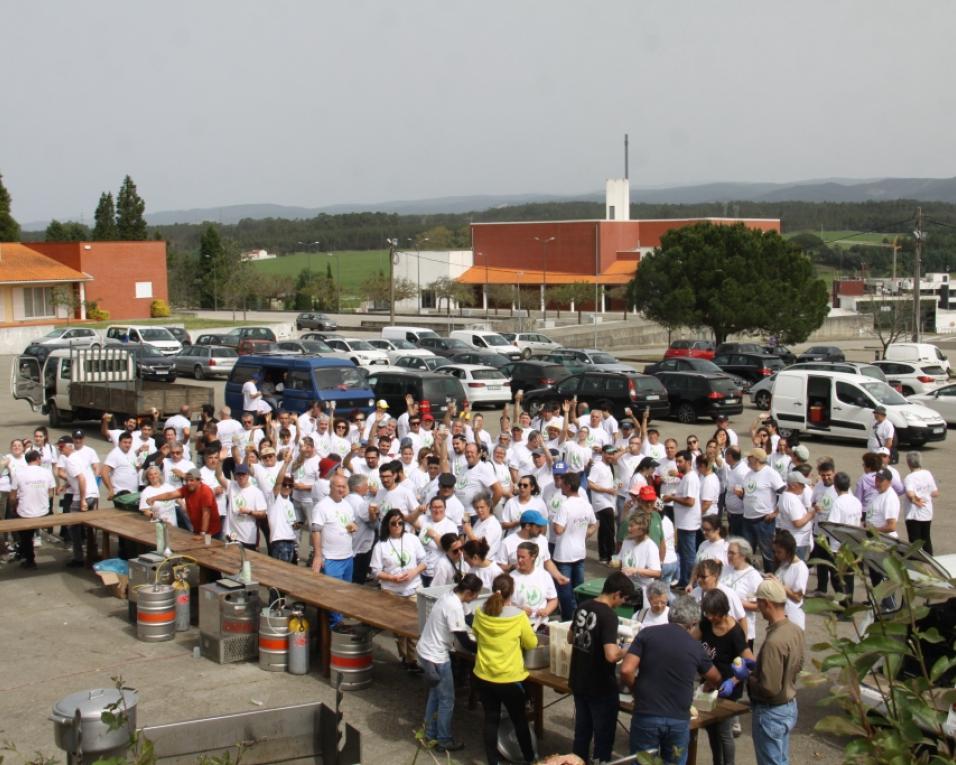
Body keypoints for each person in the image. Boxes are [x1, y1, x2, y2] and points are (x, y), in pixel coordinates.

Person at [620, 596, 722, 765]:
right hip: (678, 718)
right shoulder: (695, 646)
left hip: (647, 713)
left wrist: (635, 688)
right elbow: (715, 677)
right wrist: (709, 686)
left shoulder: (647, 634)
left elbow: (626, 669)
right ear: (694, 621)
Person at [568, 572, 636, 764]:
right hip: (600, 686)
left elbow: (570, 638)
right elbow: (611, 655)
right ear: (617, 593)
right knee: (603, 738)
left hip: (579, 680)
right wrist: (628, 648)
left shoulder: (583, 606)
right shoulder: (608, 616)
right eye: (623, 599)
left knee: (581, 733)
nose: (621, 603)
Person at [471, 573, 538, 765]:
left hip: (484, 675)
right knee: (519, 721)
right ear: (512, 593)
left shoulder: (479, 612)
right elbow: (531, 642)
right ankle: (530, 759)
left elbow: (475, 633)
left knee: (491, 719)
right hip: (509, 678)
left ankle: (493, 761)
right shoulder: (518, 617)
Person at [416, 574, 483, 754]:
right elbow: (465, 641)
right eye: (475, 595)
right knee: (447, 700)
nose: (476, 598)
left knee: (435, 695)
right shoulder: (453, 606)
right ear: (468, 592)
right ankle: (444, 740)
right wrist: (486, 648)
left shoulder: (450, 596)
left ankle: (429, 734)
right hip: (437, 657)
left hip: (426, 651)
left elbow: (469, 618)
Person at [748, 579, 805, 765]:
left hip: (772, 710)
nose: (757, 607)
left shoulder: (774, 641)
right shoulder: (795, 630)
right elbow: (799, 664)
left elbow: (769, 688)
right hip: (789, 705)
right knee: (781, 760)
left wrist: (749, 677)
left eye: (758, 603)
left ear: (766, 603)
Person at [694, 589, 754, 765]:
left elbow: (750, 662)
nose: (711, 618)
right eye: (708, 614)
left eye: (714, 615)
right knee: (711, 728)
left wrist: (733, 681)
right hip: (708, 685)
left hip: (728, 689)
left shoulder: (734, 633)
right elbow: (689, 640)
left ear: (723, 611)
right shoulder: (705, 624)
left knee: (724, 732)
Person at [371, 508, 427, 672]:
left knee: (414, 625)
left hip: (413, 588)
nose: (397, 526)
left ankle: (413, 659)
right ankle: (404, 656)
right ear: (387, 525)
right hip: (391, 591)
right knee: (399, 628)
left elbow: (424, 561)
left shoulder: (412, 539)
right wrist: (391, 578)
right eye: (393, 523)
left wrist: (413, 572)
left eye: (400, 523)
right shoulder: (381, 545)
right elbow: (375, 571)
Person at [310, 473, 357, 626]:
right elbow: (316, 530)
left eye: (344, 486)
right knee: (331, 597)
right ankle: (333, 633)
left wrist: (353, 528)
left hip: (348, 557)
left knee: (344, 595)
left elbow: (350, 524)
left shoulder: (347, 505)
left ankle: (338, 628)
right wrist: (318, 555)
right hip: (331, 558)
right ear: (331, 487)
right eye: (338, 486)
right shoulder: (322, 506)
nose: (341, 489)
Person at [552, 471, 597, 619]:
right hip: (579, 553)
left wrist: (560, 524)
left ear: (568, 486)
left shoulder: (565, 506)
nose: (560, 487)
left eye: (563, 484)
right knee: (579, 590)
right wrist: (585, 533)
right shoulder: (585, 504)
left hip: (564, 555)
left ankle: (568, 620)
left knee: (565, 592)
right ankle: (580, 618)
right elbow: (594, 524)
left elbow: (558, 530)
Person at [739, 448, 785, 573]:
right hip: (747, 518)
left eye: (750, 457)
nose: (748, 460)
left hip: (763, 520)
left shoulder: (770, 473)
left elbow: (783, 493)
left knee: (767, 552)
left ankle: (770, 576)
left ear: (757, 459)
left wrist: (775, 512)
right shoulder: (749, 474)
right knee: (747, 551)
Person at [11, 450, 55, 569]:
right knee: (26, 529)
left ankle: (29, 559)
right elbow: (51, 493)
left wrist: (14, 507)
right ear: (37, 459)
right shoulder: (47, 472)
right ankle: (23, 553)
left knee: (24, 533)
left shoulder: (18, 473)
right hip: (43, 512)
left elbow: (13, 496)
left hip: (26, 513)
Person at [664, 449, 701, 588]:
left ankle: (691, 583)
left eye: (680, 462)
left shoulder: (691, 478)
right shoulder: (686, 477)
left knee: (689, 555)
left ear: (688, 462)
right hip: (683, 522)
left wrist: (672, 497)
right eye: (676, 461)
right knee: (684, 554)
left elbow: (690, 501)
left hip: (688, 523)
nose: (677, 464)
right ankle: (684, 580)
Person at [826, 471, 863, 606]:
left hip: (838, 547)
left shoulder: (838, 503)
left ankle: (844, 606)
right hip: (852, 545)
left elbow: (831, 525)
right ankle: (849, 603)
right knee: (849, 577)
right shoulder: (856, 502)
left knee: (838, 579)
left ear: (835, 487)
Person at [721, 537, 764, 649]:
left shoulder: (753, 576)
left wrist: (737, 602)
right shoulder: (725, 570)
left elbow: (760, 606)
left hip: (743, 630)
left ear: (743, 555)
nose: (728, 556)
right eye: (728, 552)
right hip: (722, 627)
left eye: (732, 553)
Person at [511, 541, 559, 630]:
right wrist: (519, 610)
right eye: (518, 557)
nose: (519, 560)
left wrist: (546, 610)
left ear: (533, 557)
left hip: (540, 624)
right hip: (517, 625)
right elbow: (503, 604)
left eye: (523, 557)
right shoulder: (511, 577)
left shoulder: (544, 575)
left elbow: (553, 599)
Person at [768, 530, 809, 630]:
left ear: (788, 551)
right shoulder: (783, 564)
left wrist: (780, 586)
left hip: (792, 616)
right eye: (775, 552)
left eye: (779, 552)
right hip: (778, 613)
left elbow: (797, 598)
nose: (776, 555)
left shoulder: (800, 568)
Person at [619, 512, 661, 600]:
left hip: (642, 591)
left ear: (641, 529)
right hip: (625, 588)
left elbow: (657, 573)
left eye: (631, 526)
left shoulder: (650, 546)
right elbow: (621, 563)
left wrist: (635, 570)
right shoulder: (627, 541)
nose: (628, 528)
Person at [902, 451, 938, 554]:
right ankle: (931, 563)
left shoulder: (909, 478)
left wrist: (915, 500)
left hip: (914, 515)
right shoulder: (927, 473)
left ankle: (917, 564)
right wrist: (925, 493)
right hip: (927, 512)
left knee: (914, 543)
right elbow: (935, 493)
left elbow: (910, 493)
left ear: (908, 463)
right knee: (926, 539)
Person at [775, 472, 815, 562]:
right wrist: (812, 513)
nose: (804, 487)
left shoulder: (784, 496)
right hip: (798, 542)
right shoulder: (792, 500)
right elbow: (798, 523)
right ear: (793, 485)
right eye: (802, 485)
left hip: (793, 539)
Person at [463, 492, 503, 561]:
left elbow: (483, 548)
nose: (479, 510)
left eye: (482, 507)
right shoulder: (480, 520)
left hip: (484, 563)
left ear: (489, 507)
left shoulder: (492, 525)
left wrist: (469, 534)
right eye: (476, 508)